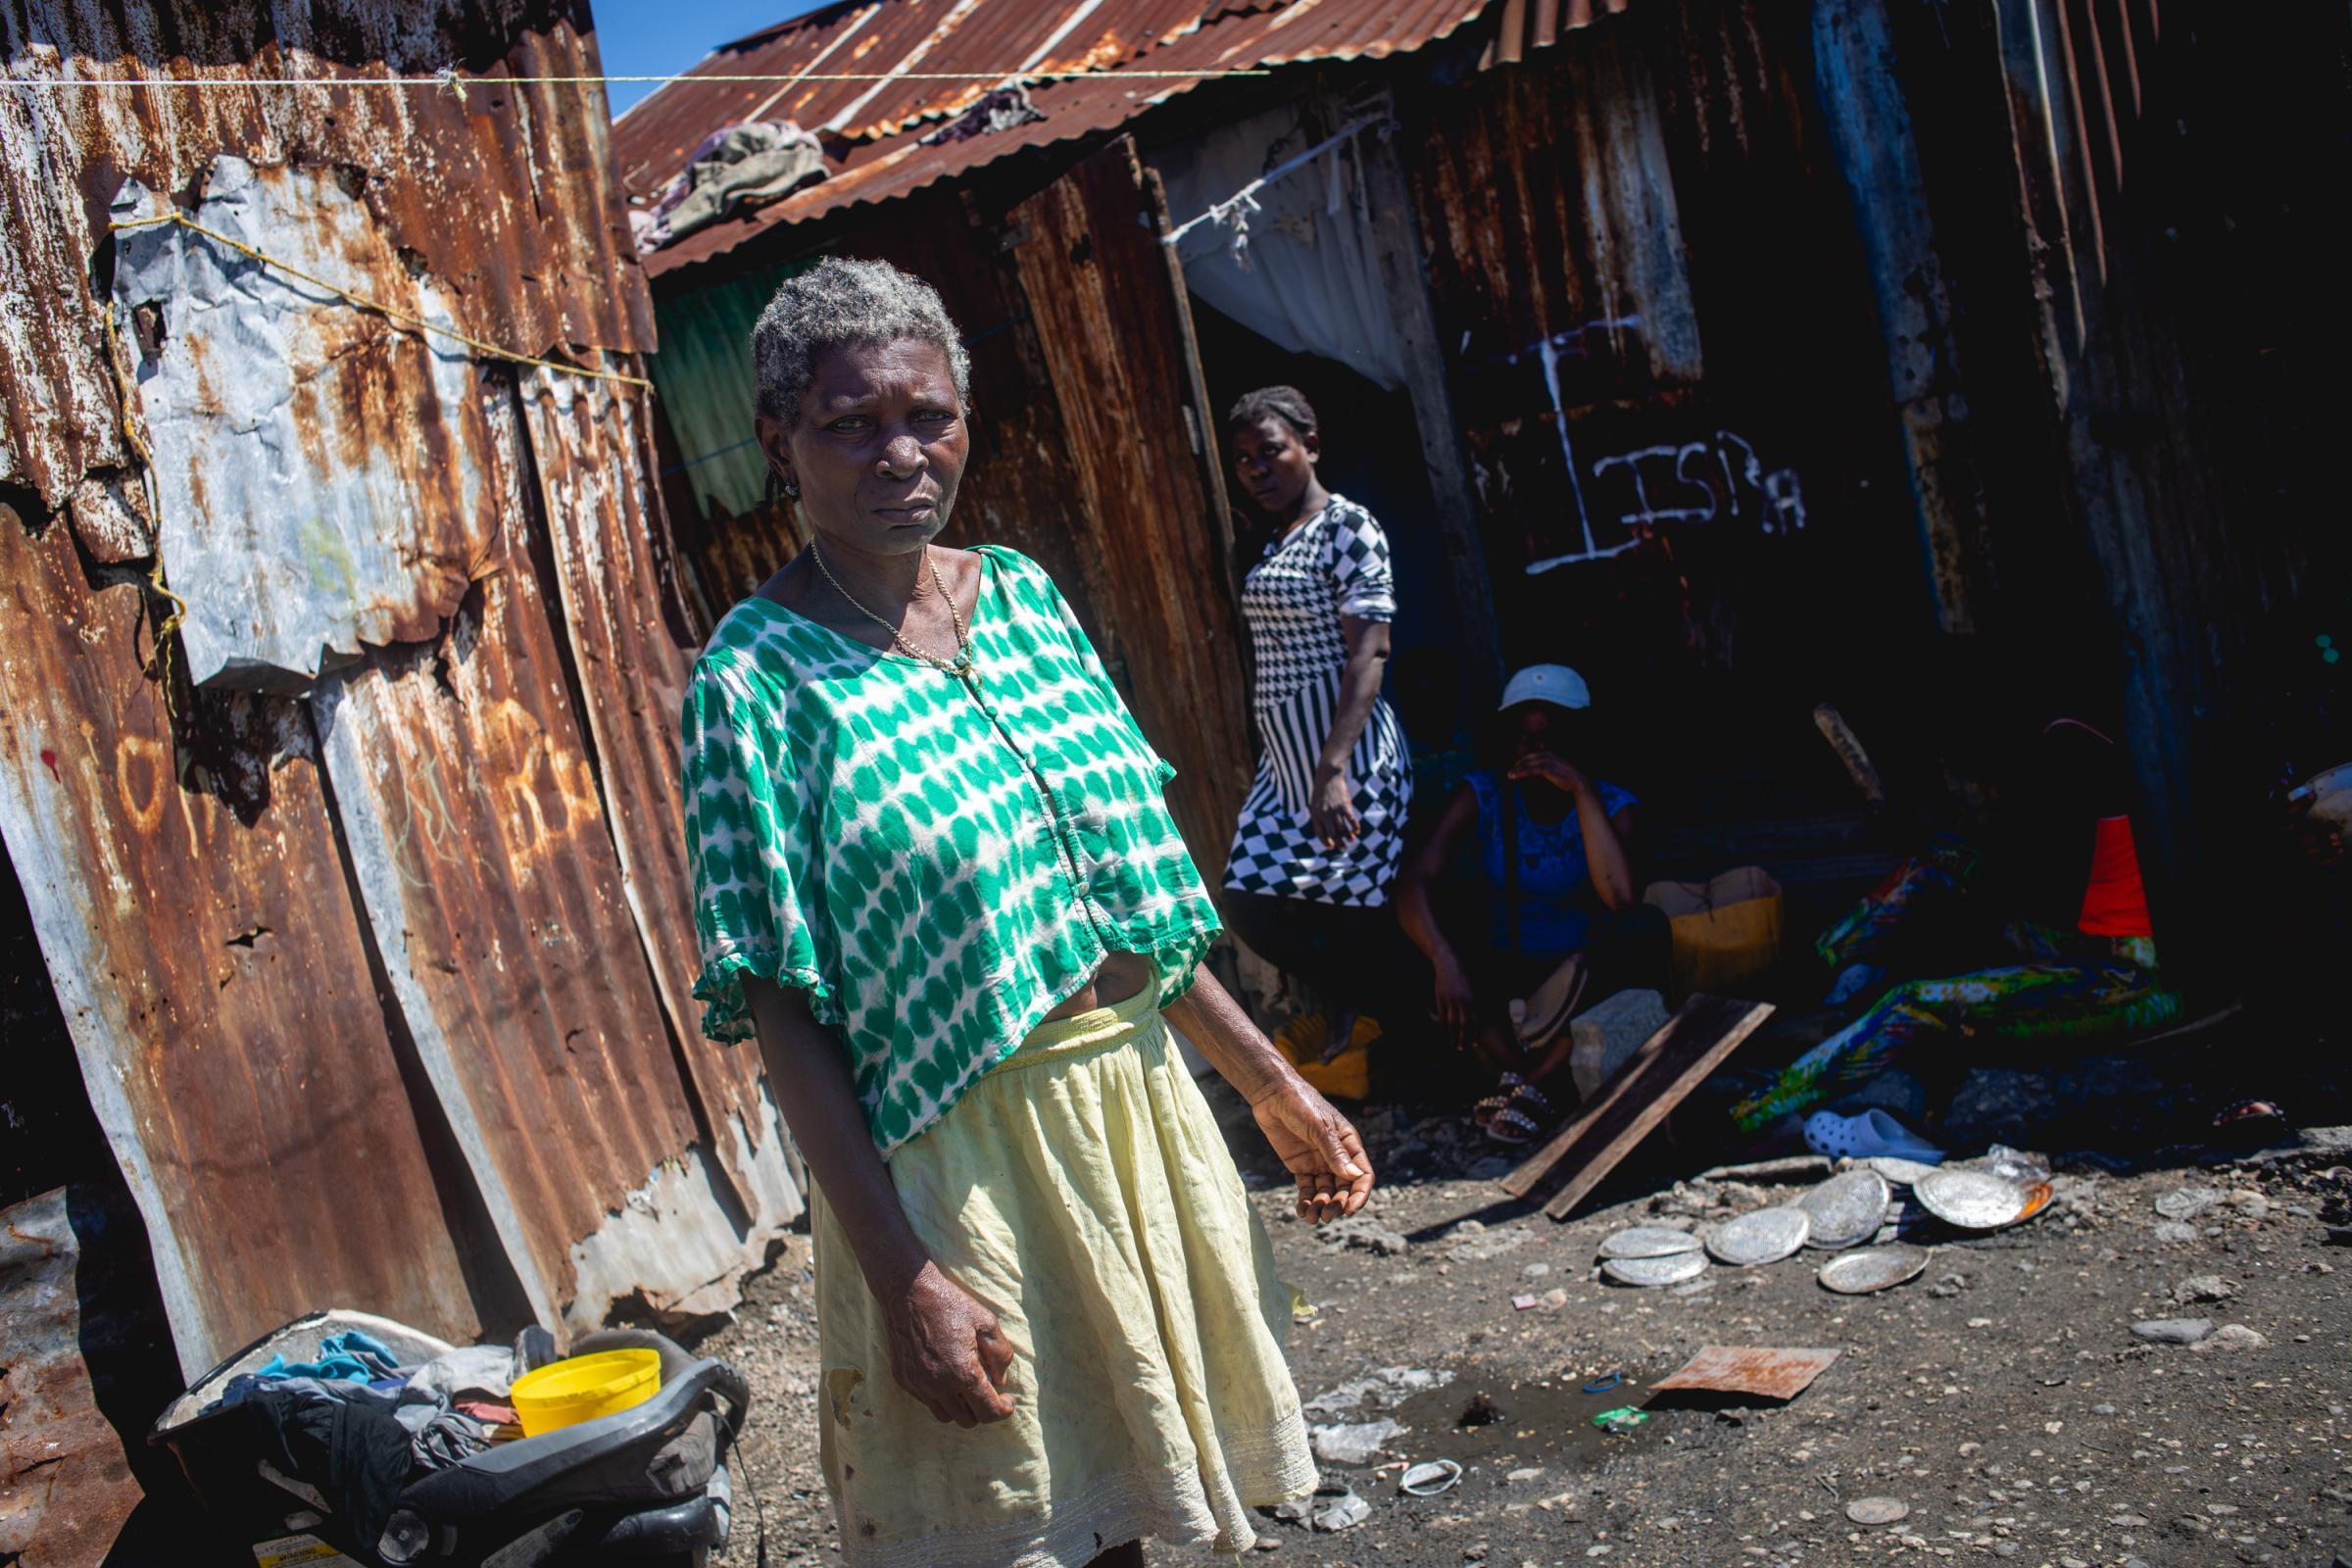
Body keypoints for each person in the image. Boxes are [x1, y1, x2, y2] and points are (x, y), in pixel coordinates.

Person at [681, 259, 1373, 1568]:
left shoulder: (1023, 598)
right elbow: (779, 1003)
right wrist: (904, 1277)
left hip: (1138, 1106)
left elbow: (1130, 902)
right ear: (781, 443)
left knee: (1152, 1494)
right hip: (968, 1163)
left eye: (928, 415)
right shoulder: (753, 681)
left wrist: (1275, 1089)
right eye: (851, 423)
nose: (901, 452)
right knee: (1050, 1528)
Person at [1731, 716, 2181, 1135]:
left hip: (2132, 984)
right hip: (2085, 947)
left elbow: (2024, 891)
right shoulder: (2068, 799)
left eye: (1965, 786)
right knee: (1932, 866)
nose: (1964, 797)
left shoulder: (2100, 782)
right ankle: (1811, 987)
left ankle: (1747, 1114)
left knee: (1912, 1002)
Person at [1218, 386, 1419, 1056]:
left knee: (1357, 912)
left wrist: (1332, 768)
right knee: (1250, 900)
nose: (1257, 469)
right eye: (1243, 459)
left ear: (1311, 445)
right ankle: (1379, 1019)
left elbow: (1370, 650)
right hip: (1286, 772)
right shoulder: (1273, 542)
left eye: (1271, 450)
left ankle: (1414, 1034)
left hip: (1350, 761)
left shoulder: (1348, 527)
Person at [1394, 664, 1668, 1142]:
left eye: (1552, 740)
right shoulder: (1483, 793)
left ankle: (1535, 1084)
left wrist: (1579, 790)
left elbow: (1620, 897)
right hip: (1506, 973)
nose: (1538, 753)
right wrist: (1445, 960)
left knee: (1641, 930)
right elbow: (1413, 884)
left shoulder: (1613, 803)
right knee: (1422, 947)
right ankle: (1525, 1075)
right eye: (1525, 739)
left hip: (1580, 978)